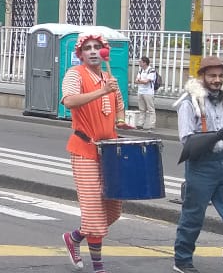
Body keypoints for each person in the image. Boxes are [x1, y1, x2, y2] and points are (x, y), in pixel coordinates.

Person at [172, 55, 223, 273]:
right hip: (200, 166)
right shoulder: (189, 102)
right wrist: (216, 136)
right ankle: (182, 260)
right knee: (193, 216)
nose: (217, 80)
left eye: (220, 76)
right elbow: (187, 140)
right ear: (202, 76)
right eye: (212, 75)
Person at [60, 32, 126, 273]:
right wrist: (102, 91)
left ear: (104, 51)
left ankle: (74, 237)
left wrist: (121, 120)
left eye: (97, 47)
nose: (93, 51)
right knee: (95, 213)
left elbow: (119, 106)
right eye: (87, 48)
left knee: (113, 211)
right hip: (84, 150)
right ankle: (98, 267)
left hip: (109, 154)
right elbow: (69, 101)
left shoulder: (109, 78)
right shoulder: (74, 74)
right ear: (80, 53)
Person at [134, 55, 157, 132]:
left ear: (145, 63)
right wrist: (142, 81)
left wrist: (140, 81)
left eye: (140, 62)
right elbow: (136, 80)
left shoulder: (151, 70)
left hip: (148, 92)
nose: (139, 63)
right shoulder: (140, 70)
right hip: (140, 91)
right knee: (142, 109)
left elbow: (146, 81)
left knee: (151, 109)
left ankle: (151, 126)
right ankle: (140, 124)